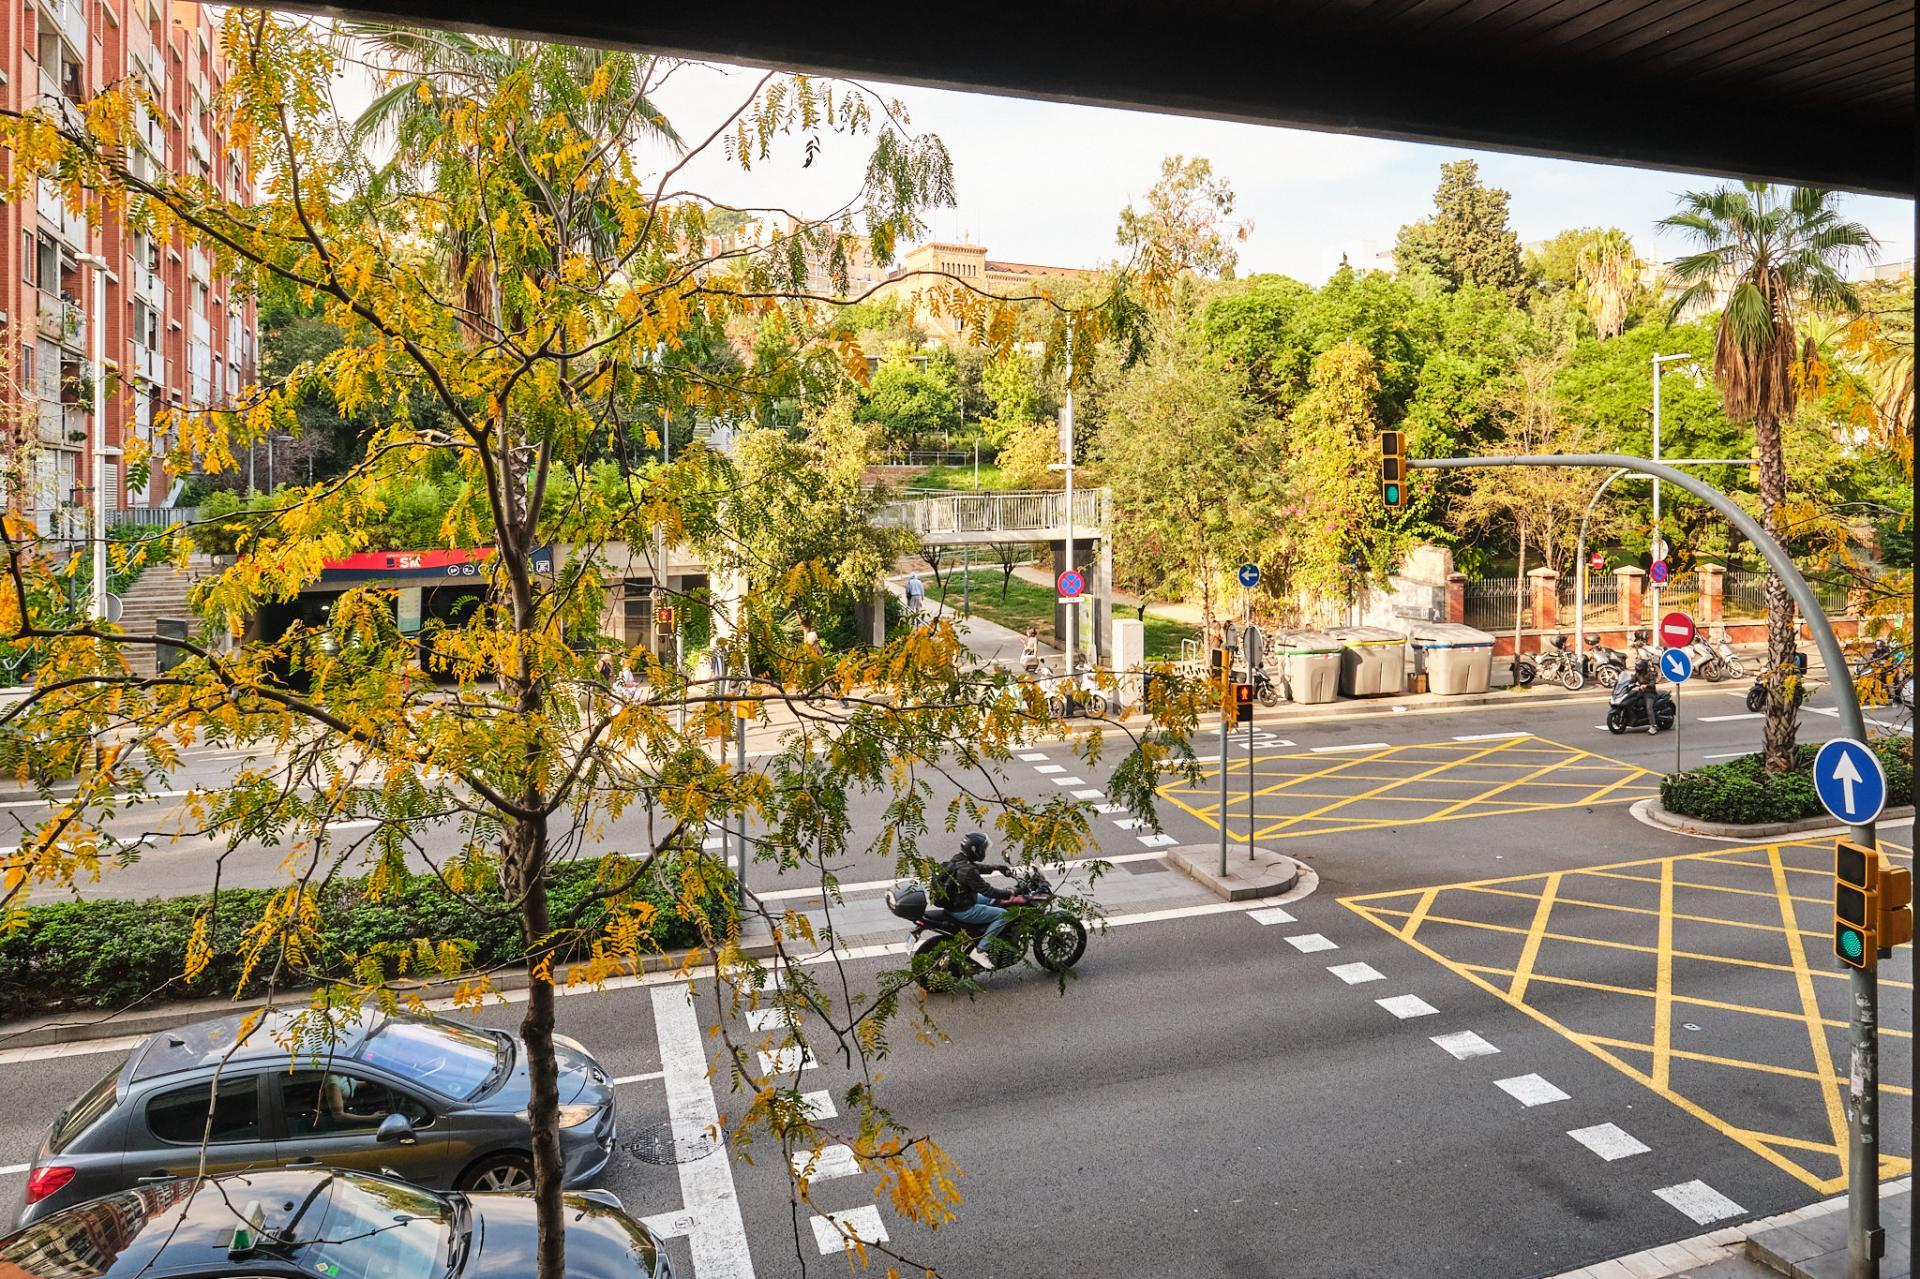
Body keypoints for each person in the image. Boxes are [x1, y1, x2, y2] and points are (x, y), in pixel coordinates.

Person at [930, 831, 1017, 968]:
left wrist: (996, 868)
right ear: (975, 850)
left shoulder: (958, 860)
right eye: (982, 849)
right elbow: (988, 890)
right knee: (1005, 915)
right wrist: (1010, 893)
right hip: (963, 909)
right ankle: (980, 950)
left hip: (956, 901)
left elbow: (975, 868)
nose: (984, 852)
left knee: (991, 901)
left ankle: (983, 930)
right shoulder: (969, 871)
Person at [1633, 657, 1660, 734]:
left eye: (1639, 666)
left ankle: (1653, 726)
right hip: (1641, 692)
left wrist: (1646, 686)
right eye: (1637, 666)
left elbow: (1652, 683)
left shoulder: (1650, 673)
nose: (1637, 668)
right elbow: (1632, 680)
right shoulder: (1637, 673)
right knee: (1631, 700)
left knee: (1649, 707)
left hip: (1650, 693)